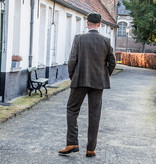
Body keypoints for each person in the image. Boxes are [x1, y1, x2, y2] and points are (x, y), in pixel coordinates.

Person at [59, 12, 116, 157]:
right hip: (98, 82)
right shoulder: (106, 41)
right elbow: (112, 62)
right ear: (99, 24)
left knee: (72, 110)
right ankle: (91, 149)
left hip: (80, 80)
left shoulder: (79, 39)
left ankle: (72, 143)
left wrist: (73, 76)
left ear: (87, 23)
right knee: (95, 114)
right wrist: (104, 76)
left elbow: (72, 60)